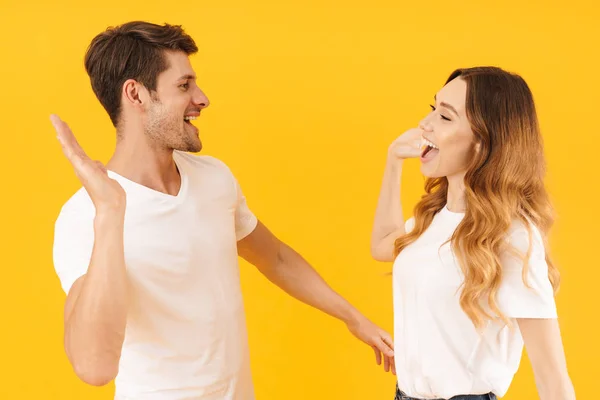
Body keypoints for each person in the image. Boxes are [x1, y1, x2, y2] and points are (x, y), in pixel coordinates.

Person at [50, 21, 394, 400]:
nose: (202, 98)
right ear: (136, 95)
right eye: (184, 86)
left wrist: (354, 318)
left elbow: (275, 257)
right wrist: (111, 214)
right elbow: (94, 367)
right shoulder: (86, 216)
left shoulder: (213, 178)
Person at [370, 66, 576, 400]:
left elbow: (552, 377)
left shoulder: (512, 237)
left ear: (482, 142)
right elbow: (382, 245)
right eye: (432, 108)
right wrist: (393, 161)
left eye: (446, 117)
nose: (426, 124)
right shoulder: (435, 217)